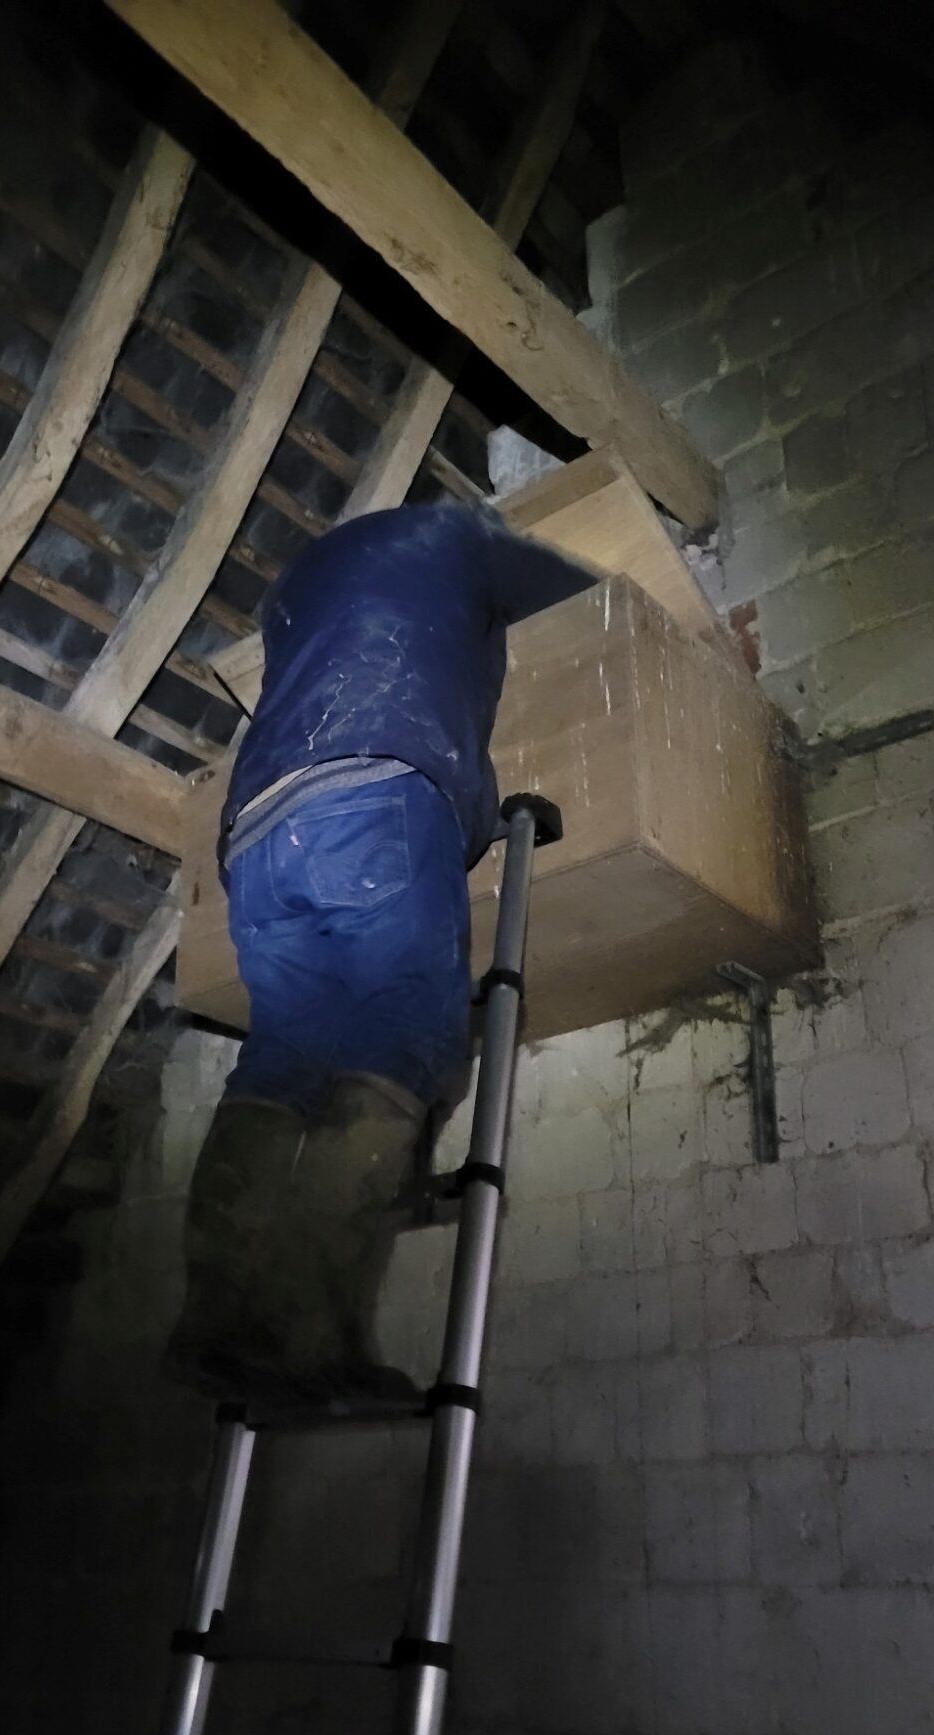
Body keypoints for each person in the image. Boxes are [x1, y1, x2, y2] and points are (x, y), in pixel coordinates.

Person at [167, 498, 596, 1411]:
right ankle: (311, 1341)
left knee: (283, 1058)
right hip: (375, 793)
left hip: (258, 838)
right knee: (403, 1038)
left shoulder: (298, 584)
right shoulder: (458, 534)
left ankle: (216, 1320)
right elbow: (581, 583)